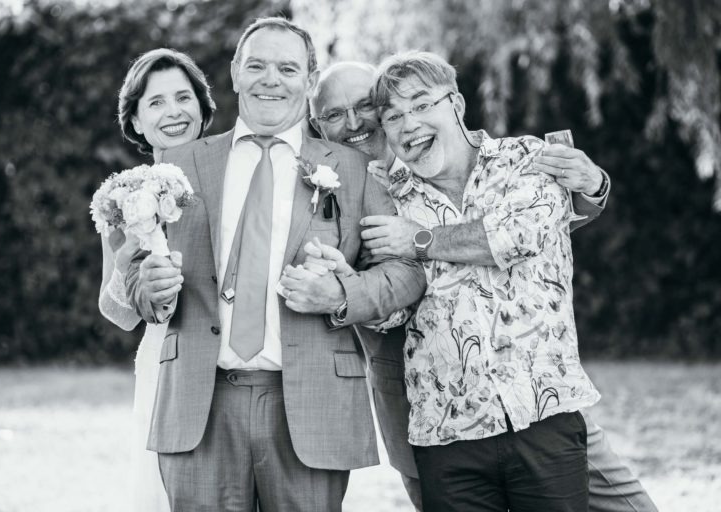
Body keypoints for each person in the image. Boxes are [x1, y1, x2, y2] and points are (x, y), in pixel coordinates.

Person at [310, 62, 657, 512]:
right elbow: (387, 295)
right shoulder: (363, 194)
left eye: (367, 108)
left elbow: (530, 228)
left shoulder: (518, 159)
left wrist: (595, 185)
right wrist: (344, 288)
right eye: (336, 115)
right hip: (438, 417)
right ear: (317, 125)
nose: (356, 123)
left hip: (539, 400)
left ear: (454, 104)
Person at [126, 17, 426, 511]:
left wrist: (341, 295)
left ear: (309, 81)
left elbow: (406, 272)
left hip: (311, 406)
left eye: (287, 68)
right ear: (235, 73)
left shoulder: (352, 169)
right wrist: (150, 287)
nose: (271, 79)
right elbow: (138, 270)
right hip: (200, 405)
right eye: (257, 65)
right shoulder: (180, 166)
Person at [97, 48, 216, 512]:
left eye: (183, 98)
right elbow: (118, 315)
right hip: (165, 361)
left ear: (203, 110)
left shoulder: (238, 175)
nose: (173, 112)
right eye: (156, 103)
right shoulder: (122, 201)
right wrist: (126, 262)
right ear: (137, 122)